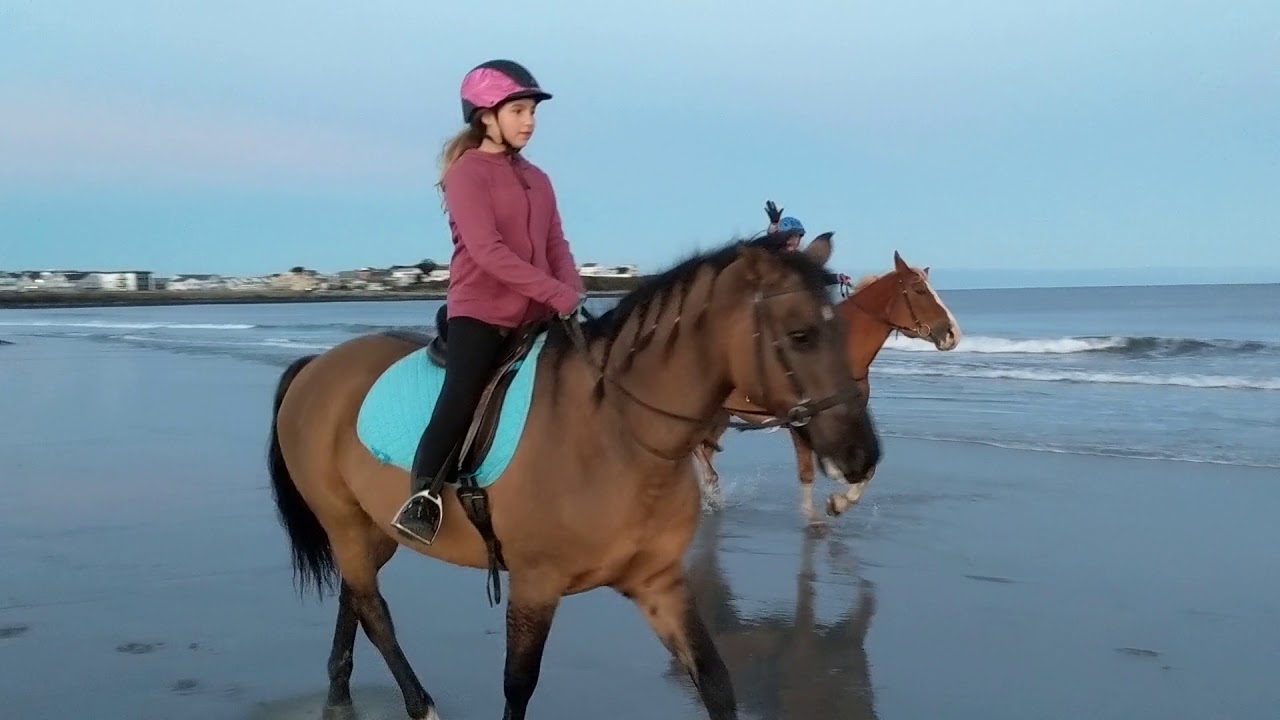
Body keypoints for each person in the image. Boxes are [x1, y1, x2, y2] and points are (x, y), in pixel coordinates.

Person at [392, 59, 585, 544]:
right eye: (518, 111)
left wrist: (572, 292)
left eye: (532, 112)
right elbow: (488, 252)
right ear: (485, 116)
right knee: (461, 394)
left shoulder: (539, 178)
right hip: (482, 313)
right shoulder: (467, 175)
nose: (529, 121)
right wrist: (555, 292)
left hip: (540, 313)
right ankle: (423, 497)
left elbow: (556, 244)